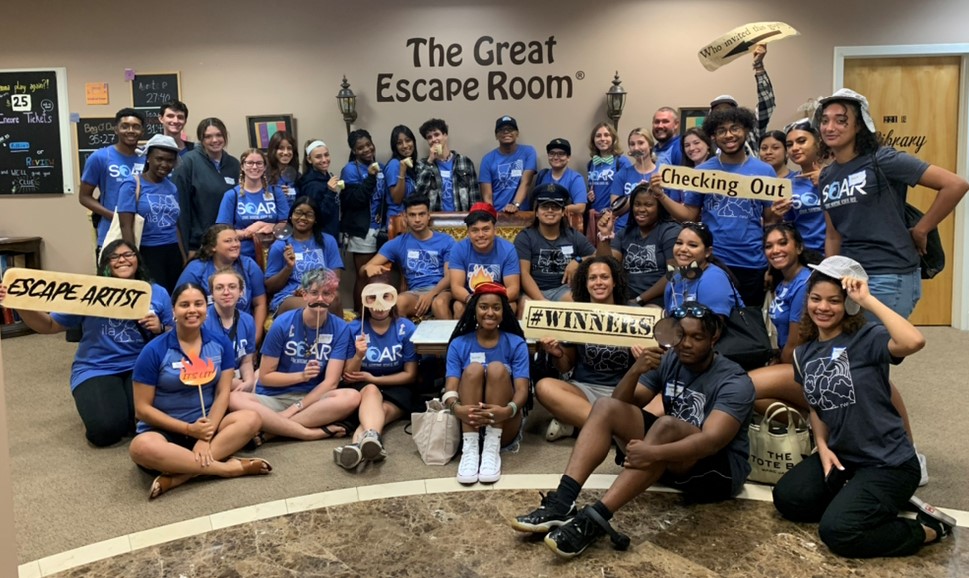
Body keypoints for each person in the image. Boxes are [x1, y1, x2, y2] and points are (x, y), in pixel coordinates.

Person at [510, 302, 755, 559]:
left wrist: (652, 452)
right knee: (605, 407)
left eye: (697, 338)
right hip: (670, 456)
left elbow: (712, 441)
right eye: (682, 336)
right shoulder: (670, 358)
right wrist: (636, 370)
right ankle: (562, 502)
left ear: (713, 338)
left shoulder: (734, 381)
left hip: (717, 472)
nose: (686, 344)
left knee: (666, 425)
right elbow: (620, 402)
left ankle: (594, 520)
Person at [772, 256, 956, 557]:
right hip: (846, 458)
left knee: (839, 532)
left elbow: (914, 341)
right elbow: (815, 405)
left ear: (849, 305)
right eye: (816, 299)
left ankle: (928, 528)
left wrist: (868, 299)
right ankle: (867, 501)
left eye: (834, 301)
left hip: (889, 463)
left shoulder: (867, 338)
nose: (823, 307)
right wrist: (822, 444)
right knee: (788, 499)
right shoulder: (803, 354)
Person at [0, 240, 171, 447]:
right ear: (105, 263)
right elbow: (49, 325)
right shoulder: (88, 292)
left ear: (138, 258)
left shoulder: (157, 292)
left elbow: (177, 334)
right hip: (97, 367)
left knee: (144, 424)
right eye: (114, 256)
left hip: (141, 365)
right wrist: (21, 303)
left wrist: (160, 327)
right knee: (105, 431)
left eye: (128, 254)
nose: (122, 260)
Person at [815, 88, 968, 318]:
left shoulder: (883, 160)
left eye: (841, 120)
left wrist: (922, 229)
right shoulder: (827, 176)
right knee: (856, 350)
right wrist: (829, 276)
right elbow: (833, 235)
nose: (830, 127)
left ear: (859, 126)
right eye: (825, 121)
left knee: (880, 350)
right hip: (849, 275)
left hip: (888, 274)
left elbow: (955, 185)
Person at [129, 282, 270, 500]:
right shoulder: (154, 351)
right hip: (165, 429)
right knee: (140, 448)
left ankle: (179, 476)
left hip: (207, 425)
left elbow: (224, 392)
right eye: (184, 305)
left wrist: (205, 435)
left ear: (207, 307)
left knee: (251, 419)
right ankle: (226, 469)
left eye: (199, 304)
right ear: (173, 310)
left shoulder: (220, 343)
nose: (192, 310)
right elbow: (142, 409)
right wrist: (188, 429)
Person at [229, 269, 360, 441]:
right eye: (314, 293)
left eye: (326, 293)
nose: (320, 299)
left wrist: (295, 408)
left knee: (351, 397)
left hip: (314, 399)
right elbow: (266, 376)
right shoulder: (282, 324)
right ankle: (307, 432)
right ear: (304, 295)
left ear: (333, 296)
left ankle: (272, 431)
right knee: (234, 398)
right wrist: (302, 376)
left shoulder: (341, 328)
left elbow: (331, 382)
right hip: (274, 396)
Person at [680, 107, 777, 307]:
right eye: (722, 130)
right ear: (713, 136)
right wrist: (660, 196)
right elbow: (689, 214)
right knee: (712, 321)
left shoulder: (765, 171)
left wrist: (772, 267)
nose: (729, 135)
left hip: (752, 263)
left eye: (735, 128)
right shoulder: (702, 171)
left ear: (746, 130)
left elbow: (771, 222)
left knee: (748, 325)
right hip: (713, 262)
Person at [535, 256, 637, 442]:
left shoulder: (634, 312)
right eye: (593, 278)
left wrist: (642, 358)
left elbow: (651, 370)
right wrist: (557, 353)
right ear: (586, 283)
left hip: (624, 391)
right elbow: (565, 367)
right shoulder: (576, 315)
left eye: (604, 277)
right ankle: (615, 432)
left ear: (614, 282)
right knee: (544, 387)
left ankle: (581, 424)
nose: (598, 282)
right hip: (584, 390)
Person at [443, 282, 529, 484]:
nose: (490, 312)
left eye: (496, 307)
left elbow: (523, 391)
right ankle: (470, 450)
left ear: (503, 312)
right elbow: (450, 389)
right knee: (473, 369)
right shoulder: (459, 344)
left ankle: (491, 449)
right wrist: (457, 409)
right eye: (483, 307)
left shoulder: (516, 343)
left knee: (497, 368)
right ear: (474, 310)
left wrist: (507, 410)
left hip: (503, 421)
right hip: (467, 421)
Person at [333, 283, 419, 469]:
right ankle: (371, 438)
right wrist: (358, 355)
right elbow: (348, 375)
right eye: (371, 298)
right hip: (363, 386)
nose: (378, 304)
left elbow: (410, 375)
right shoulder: (354, 328)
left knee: (383, 410)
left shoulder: (406, 327)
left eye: (386, 296)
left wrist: (374, 378)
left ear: (394, 299)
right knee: (372, 394)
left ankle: (356, 446)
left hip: (397, 387)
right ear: (364, 301)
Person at [361, 195, 455, 319]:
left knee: (439, 303)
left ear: (428, 216)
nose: (417, 219)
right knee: (399, 302)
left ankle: (450, 339)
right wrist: (368, 268)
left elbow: (450, 276)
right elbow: (364, 268)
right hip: (416, 293)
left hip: (442, 291)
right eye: (412, 215)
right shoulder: (398, 243)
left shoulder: (446, 241)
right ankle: (405, 337)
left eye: (421, 214)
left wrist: (431, 295)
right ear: (405, 217)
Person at [176, 224, 267, 346]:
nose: (235, 244)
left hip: (242, 336)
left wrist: (254, 342)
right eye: (228, 241)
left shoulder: (249, 266)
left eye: (236, 240)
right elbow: (179, 303)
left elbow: (260, 304)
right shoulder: (196, 269)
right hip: (205, 336)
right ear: (213, 247)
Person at [117, 134, 184, 293]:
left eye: (169, 160)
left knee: (174, 297)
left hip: (172, 251)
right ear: (148, 158)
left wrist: (182, 256)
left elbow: (174, 224)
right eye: (159, 159)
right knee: (153, 298)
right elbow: (125, 225)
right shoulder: (132, 184)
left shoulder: (172, 188)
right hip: (146, 251)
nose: (164, 164)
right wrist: (133, 259)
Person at [595, 184, 679, 306]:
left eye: (648, 205)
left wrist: (640, 299)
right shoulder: (625, 233)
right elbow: (606, 266)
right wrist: (605, 235)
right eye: (637, 204)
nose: (641, 209)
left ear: (659, 207)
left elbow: (674, 273)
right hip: (625, 296)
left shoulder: (670, 231)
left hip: (657, 297)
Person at [78, 107, 146, 254]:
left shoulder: (147, 158)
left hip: (144, 231)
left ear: (142, 131)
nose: (130, 130)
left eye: (136, 127)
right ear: (116, 129)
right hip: (111, 230)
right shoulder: (100, 157)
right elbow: (84, 197)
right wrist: (114, 216)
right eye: (125, 126)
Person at [514, 184, 595, 305]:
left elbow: (598, 256)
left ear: (563, 212)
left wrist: (578, 260)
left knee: (575, 303)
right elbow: (523, 273)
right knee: (525, 307)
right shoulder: (525, 237)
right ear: (536, 212)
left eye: (555, 207)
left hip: (563, 290)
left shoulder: (573, 236)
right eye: (545, 207)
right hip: (533, 290)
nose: (550, 211)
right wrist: (542, 301)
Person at [265, 197, 344, 317]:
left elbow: (335, 279)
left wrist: (312, 289)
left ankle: (337, 335)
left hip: (320, 293)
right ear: (291, 216)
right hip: (289, 297)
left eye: (309, 214)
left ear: (315, 219)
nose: (302, 218)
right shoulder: (280, 246)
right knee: (316, 305)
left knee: (334, 298)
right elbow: (269, 287)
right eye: (298, 213)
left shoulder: (328, 241)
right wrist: (288, 268)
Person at [173, 118, 241, 257]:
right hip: (198, 245)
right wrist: (185, 249)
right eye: (208, 136)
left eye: (218, 135)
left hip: (228, 244)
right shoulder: (188, 162)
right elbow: (181, 209)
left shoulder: (234, 164)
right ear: (201, 139)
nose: (214, 140)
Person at [341, 129, 390, 312]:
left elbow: (384, 197)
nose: (367, 150)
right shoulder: (350, 170)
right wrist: (370, 176)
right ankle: (358, 315)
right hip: (362, 230)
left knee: (378, 277)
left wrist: (382, 213)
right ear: (354, 151)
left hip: (380, 229)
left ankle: (375, 315)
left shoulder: (381, 166)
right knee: (364, 276)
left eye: (368, 145)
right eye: (360, 148)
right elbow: (356, 200)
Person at [215, 148, 290, 260]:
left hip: (275, 254)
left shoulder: (276, 192)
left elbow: (287, 226)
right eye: (250, 163)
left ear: (264, 167)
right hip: (242, 256)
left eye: (259, 163)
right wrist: (248, 232)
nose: (254, 167)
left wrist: (271, 226)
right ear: (242, 166)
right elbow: (221, 233)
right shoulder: (231, 195)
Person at [448, 202, 521, 317]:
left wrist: (490, 303)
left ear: (495, 230)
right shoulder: (458, 249)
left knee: (512, 305)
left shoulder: (508, 249)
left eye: (486, 229)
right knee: (458, 305)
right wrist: (472, 300)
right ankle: (462, 336)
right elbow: (456, 287)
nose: (480, 235)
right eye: (475, 230)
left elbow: (513, 289)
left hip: (498, 298)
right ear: (468, 233)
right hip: (470, 298)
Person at [770, 119, 826, 254]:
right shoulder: (788, 184)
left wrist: (826, 179)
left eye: (801, 141)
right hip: (801, 256)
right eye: (789, 144)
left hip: (836, 255)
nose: (794, 148)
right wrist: (777, 216)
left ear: (818, 143)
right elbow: (787, 225)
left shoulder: (837, 175)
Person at [664, 222, 741, 317]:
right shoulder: (675, 277)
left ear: (708, 252)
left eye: (692, 245)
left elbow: (715, 328)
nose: (683, 249)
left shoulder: (714, 279)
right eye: (679, 243)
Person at [709, 43, 776, 151]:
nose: (723, 114)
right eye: (718, 111)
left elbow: (767, 104)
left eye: (728, 110)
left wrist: (758, 65)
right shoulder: (705, 143)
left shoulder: (750, 133)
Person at [203, 269, 256, 393]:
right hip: (211, 382)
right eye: (219, 288)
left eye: (232, 287)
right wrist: (233, 383)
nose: (226, 292)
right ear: (211, 293)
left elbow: (246, 361)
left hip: (238, 379)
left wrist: (249, 381)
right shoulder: (203, 321)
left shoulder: (247, 320)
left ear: (241, 291)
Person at [414, 118, 480, 211]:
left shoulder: (465, 162)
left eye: (437, 134)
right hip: (434, 220)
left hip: (461, 219)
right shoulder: (422, 165)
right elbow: (418, 194)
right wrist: (430, 161)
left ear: (445, 135)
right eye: (429, 137)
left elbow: (474, 197)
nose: (434, 139)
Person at [479, 115, 538, 213]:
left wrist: (515, 205)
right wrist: (492, 216)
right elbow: (487, 196)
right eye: (501, 130)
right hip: (497, 213)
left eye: (510, 129)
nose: (506, 132)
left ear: (517, 133)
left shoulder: (528, 152)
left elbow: (526, 182)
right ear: (496, 135)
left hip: (521, 213)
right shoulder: (487, 159)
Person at [607, 128, 660, 230]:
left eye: (641, 143)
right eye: (632, 144)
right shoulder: (622, 174)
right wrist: (636, 193)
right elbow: (615, 210)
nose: (636, 148)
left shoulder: (660, 174)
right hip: (625, 229)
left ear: (650, 145)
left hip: (654, 230)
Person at [585, 122, 632, 218]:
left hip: (616, 216)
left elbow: (629, 192)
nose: (602, 139)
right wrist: (589, 196)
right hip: (596, 216)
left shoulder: (622, 161)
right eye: (598, 136)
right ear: (593, 140)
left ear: (613, 138)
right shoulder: (591, 164)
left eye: (606, 135)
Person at [298, 139, 341, 241]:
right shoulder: (311, 185)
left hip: (331, 234)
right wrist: (330, 192)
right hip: (320, 238)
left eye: (326, 155)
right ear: (309, 159)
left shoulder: (327, 177)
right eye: (318, 157)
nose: (324, 160)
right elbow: (318, 216)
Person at [531, 138, 586, 215]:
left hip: (565, 224)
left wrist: (555, 210)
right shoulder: (542, 175)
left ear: (568, 157)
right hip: (543, 223)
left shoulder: (575, 178)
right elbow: (536, 202)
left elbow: (581, 207)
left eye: (561, 154)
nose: (556, 157)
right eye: (552, 153)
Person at [384, 125, 419, 218]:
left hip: (411, 218)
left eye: (408, 140)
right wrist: (402, 172)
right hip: (397, 220)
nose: (405, 145)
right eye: (399, 143)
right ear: (395, 147)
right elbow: (397, 199)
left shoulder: (412, 165)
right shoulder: (394, 164)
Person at [267, 131, 300, 205]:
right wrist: (276, 194)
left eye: (289, 148)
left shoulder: (298, 176)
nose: (285, 152)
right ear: (273, 150)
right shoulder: (264, 175)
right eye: (281, 148)